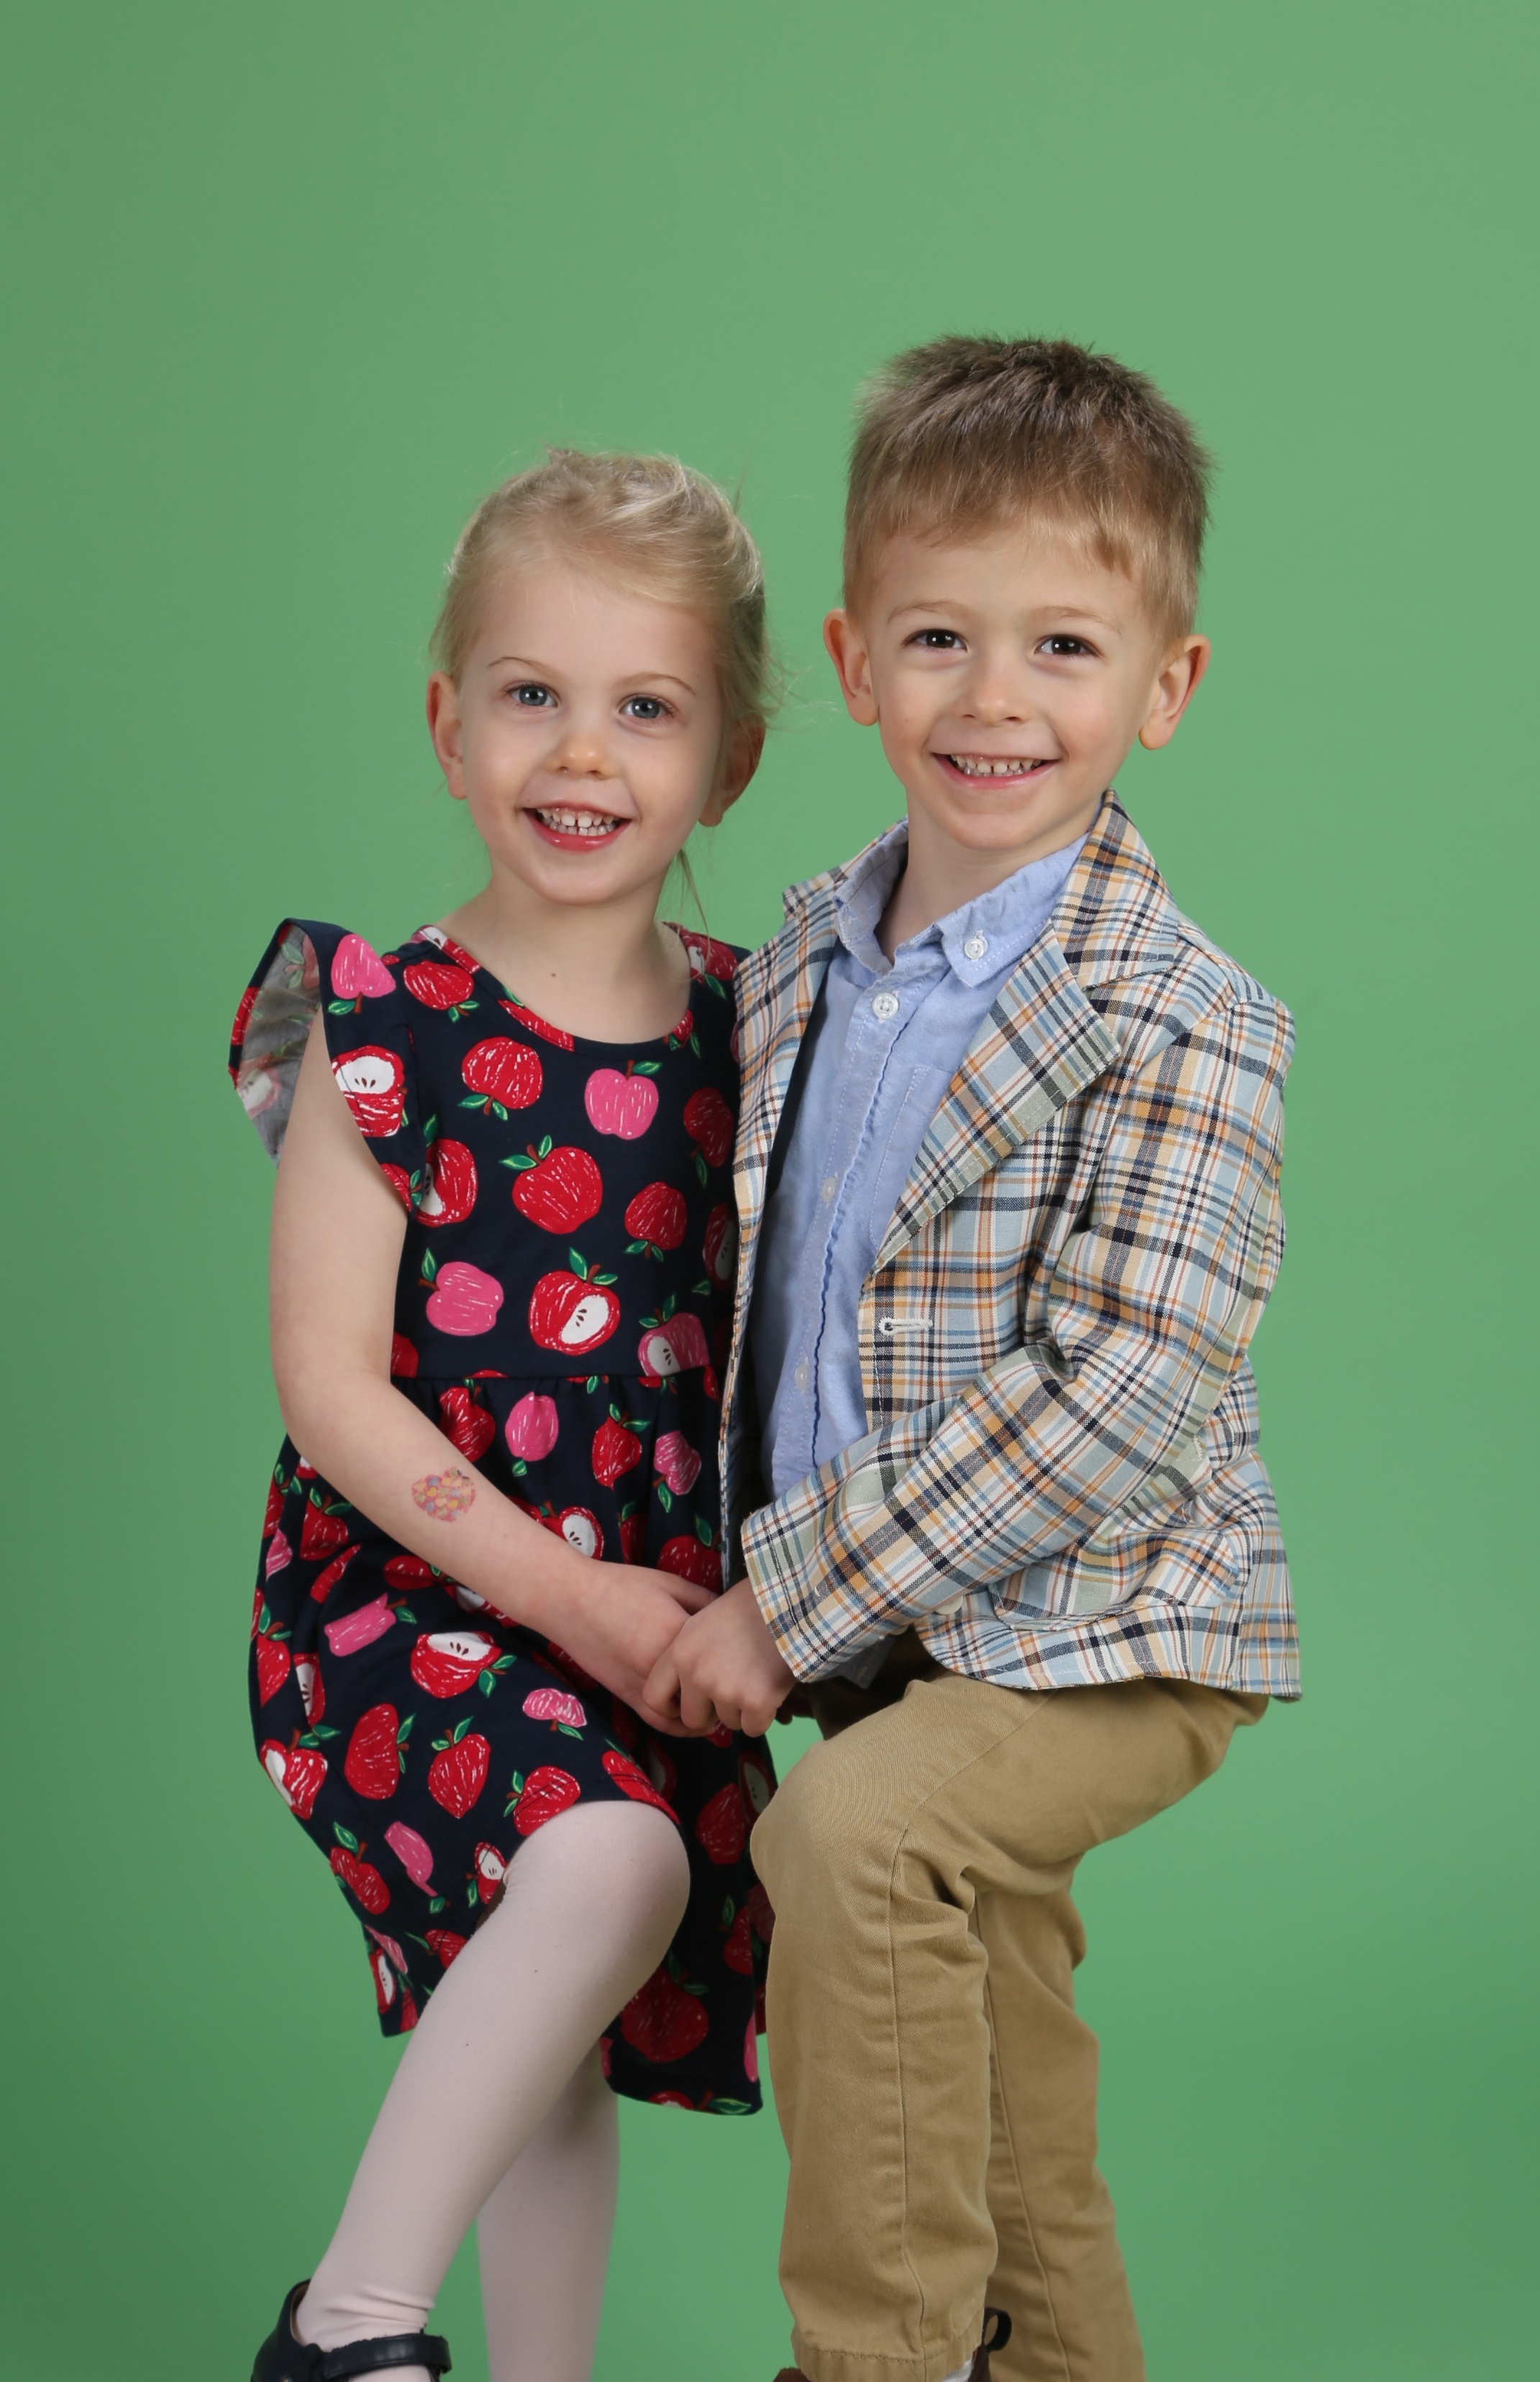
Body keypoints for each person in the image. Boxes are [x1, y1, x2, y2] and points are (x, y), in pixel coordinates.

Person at [645, 338, 1300, 2382]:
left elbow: (1122, 1395)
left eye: (1063, 648)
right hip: (908, 1634)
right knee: (997, 2037)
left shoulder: (1188, 1019)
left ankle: (868, 2361)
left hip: (1116, 1622)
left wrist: (788, 1602)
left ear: (1165, 686)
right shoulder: (793, 960)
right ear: (854, 661)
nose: (995, 698)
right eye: (939, 637)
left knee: (856, 1840)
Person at [233, 449, 776, 2382]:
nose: (583, 752)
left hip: (661, 1607)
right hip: (410, 1596)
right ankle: (349, 2326)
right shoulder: (376, 1025)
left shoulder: (756, 1027)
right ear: (449, 721)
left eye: (649, 707)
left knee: (560, 2015)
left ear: (732, 758)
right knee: (612, 1864)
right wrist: (564, 1597)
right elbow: (330, 1386)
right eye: (533, 692)